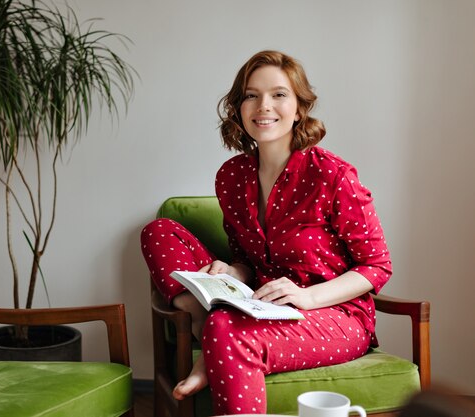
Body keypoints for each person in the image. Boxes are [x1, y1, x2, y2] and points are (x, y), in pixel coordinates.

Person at [141, 50, 392, 415]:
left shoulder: (332, 176)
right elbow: (247, 258)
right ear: (238, 108)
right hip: (260, 304)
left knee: (228, 328)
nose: (264, 106)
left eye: (278, 94)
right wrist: (232, 271)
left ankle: (213, 346)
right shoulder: (231, 176)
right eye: (251, 95)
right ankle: (202, 321)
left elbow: (377, 266)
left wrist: (308, 297)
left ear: (299, 107)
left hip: (335, 315)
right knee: (159, 231)